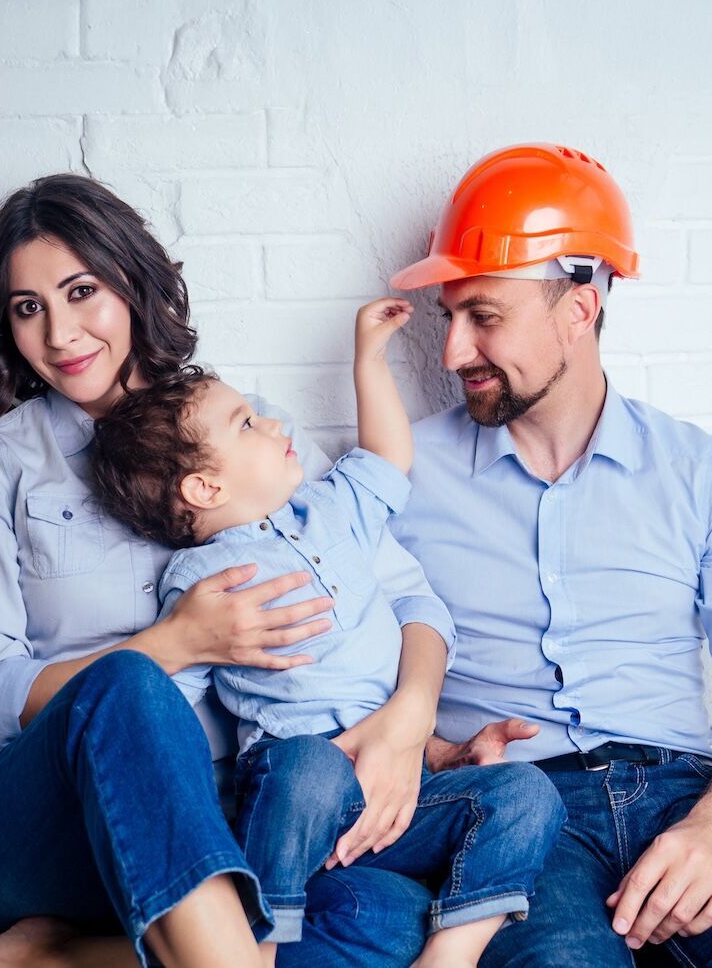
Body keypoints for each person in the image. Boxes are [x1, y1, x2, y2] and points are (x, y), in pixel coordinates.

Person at [0, 174, 442, 968]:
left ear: (132, 281)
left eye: (81, 291)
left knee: (390, 914)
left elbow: (404, 592)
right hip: (40, 836)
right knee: (133, 684)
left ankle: (58, 959)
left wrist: (411, 719)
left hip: (233, 820)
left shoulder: (246, 427)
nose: (60, 333)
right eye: (29, 308)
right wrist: (177, 641)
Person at [385, 143, 712, 966]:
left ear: (580, 308)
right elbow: (337, 680)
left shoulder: (702, 471)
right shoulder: (396, 474)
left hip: (689, 790)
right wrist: (437, 756)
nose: (451, 352)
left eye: (485, 317)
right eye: (449, 316)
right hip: (516, 808)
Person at [89, 298, 565, 967]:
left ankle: (453, 951)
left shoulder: (330, 506)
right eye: (247, 423)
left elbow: (387, 456)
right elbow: (165, 703)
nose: (275, 422)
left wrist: (367, 358)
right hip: (293, 799)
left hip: (399, 792)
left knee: (526, 793)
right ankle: (256, 943)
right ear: (203, 486)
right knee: (309, 763)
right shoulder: (202, 581)